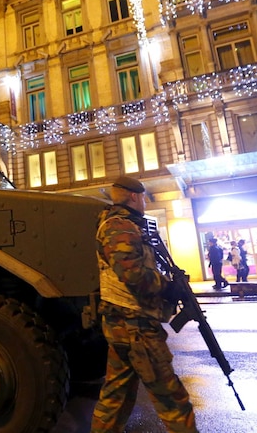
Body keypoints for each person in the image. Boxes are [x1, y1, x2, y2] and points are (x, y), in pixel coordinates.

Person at [91, 176, 199, 433]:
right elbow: (134, 274)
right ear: (133, 197)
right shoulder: (119, 226)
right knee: (172, 400)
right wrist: (167, 287)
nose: (145, 202)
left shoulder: (126, 225)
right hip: (134, 326)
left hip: (127, 324)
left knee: (115, 399)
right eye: (143, 197)